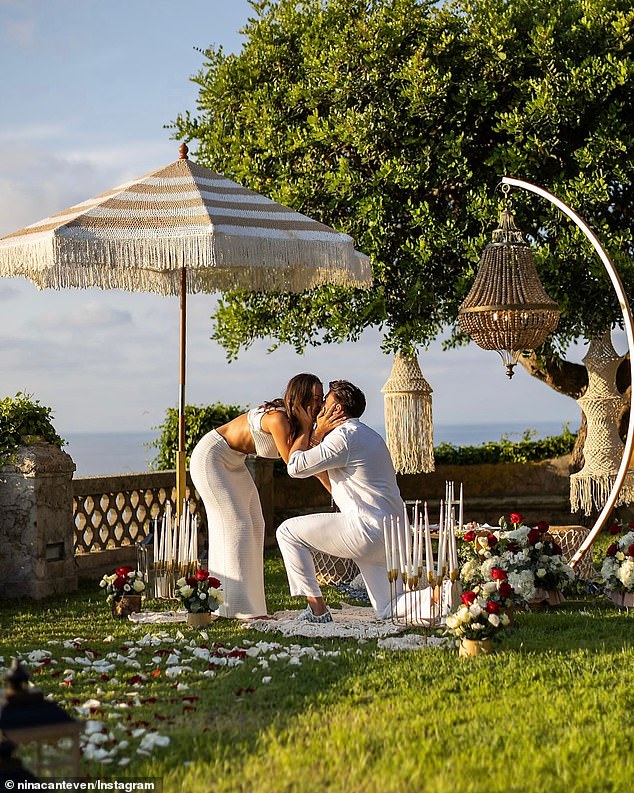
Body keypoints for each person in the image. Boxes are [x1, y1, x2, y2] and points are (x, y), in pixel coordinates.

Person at [189, 373, 325, 619]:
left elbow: (311, 459)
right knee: (238, 525)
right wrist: (307, 427)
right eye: (314, 398)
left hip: (234, 461)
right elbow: (293, 465)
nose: (319, 404)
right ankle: (238, 608)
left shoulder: (298, 423)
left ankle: (244, 604)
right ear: (300, 396)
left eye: (321, 398)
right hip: (212, 457)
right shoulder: (279, 419)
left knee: (256, 523)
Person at [276, 379, 405, 622]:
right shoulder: (370, 435)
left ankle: (317, 610)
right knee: (387, 609)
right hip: (391, 535)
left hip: (366, 531)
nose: (320, 407)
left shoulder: (344, 437)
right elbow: (333, 482)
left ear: (337, 410)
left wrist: (310, 431)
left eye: (325, 402)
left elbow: (295, 467)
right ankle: (438, 596)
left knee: (287, 532)